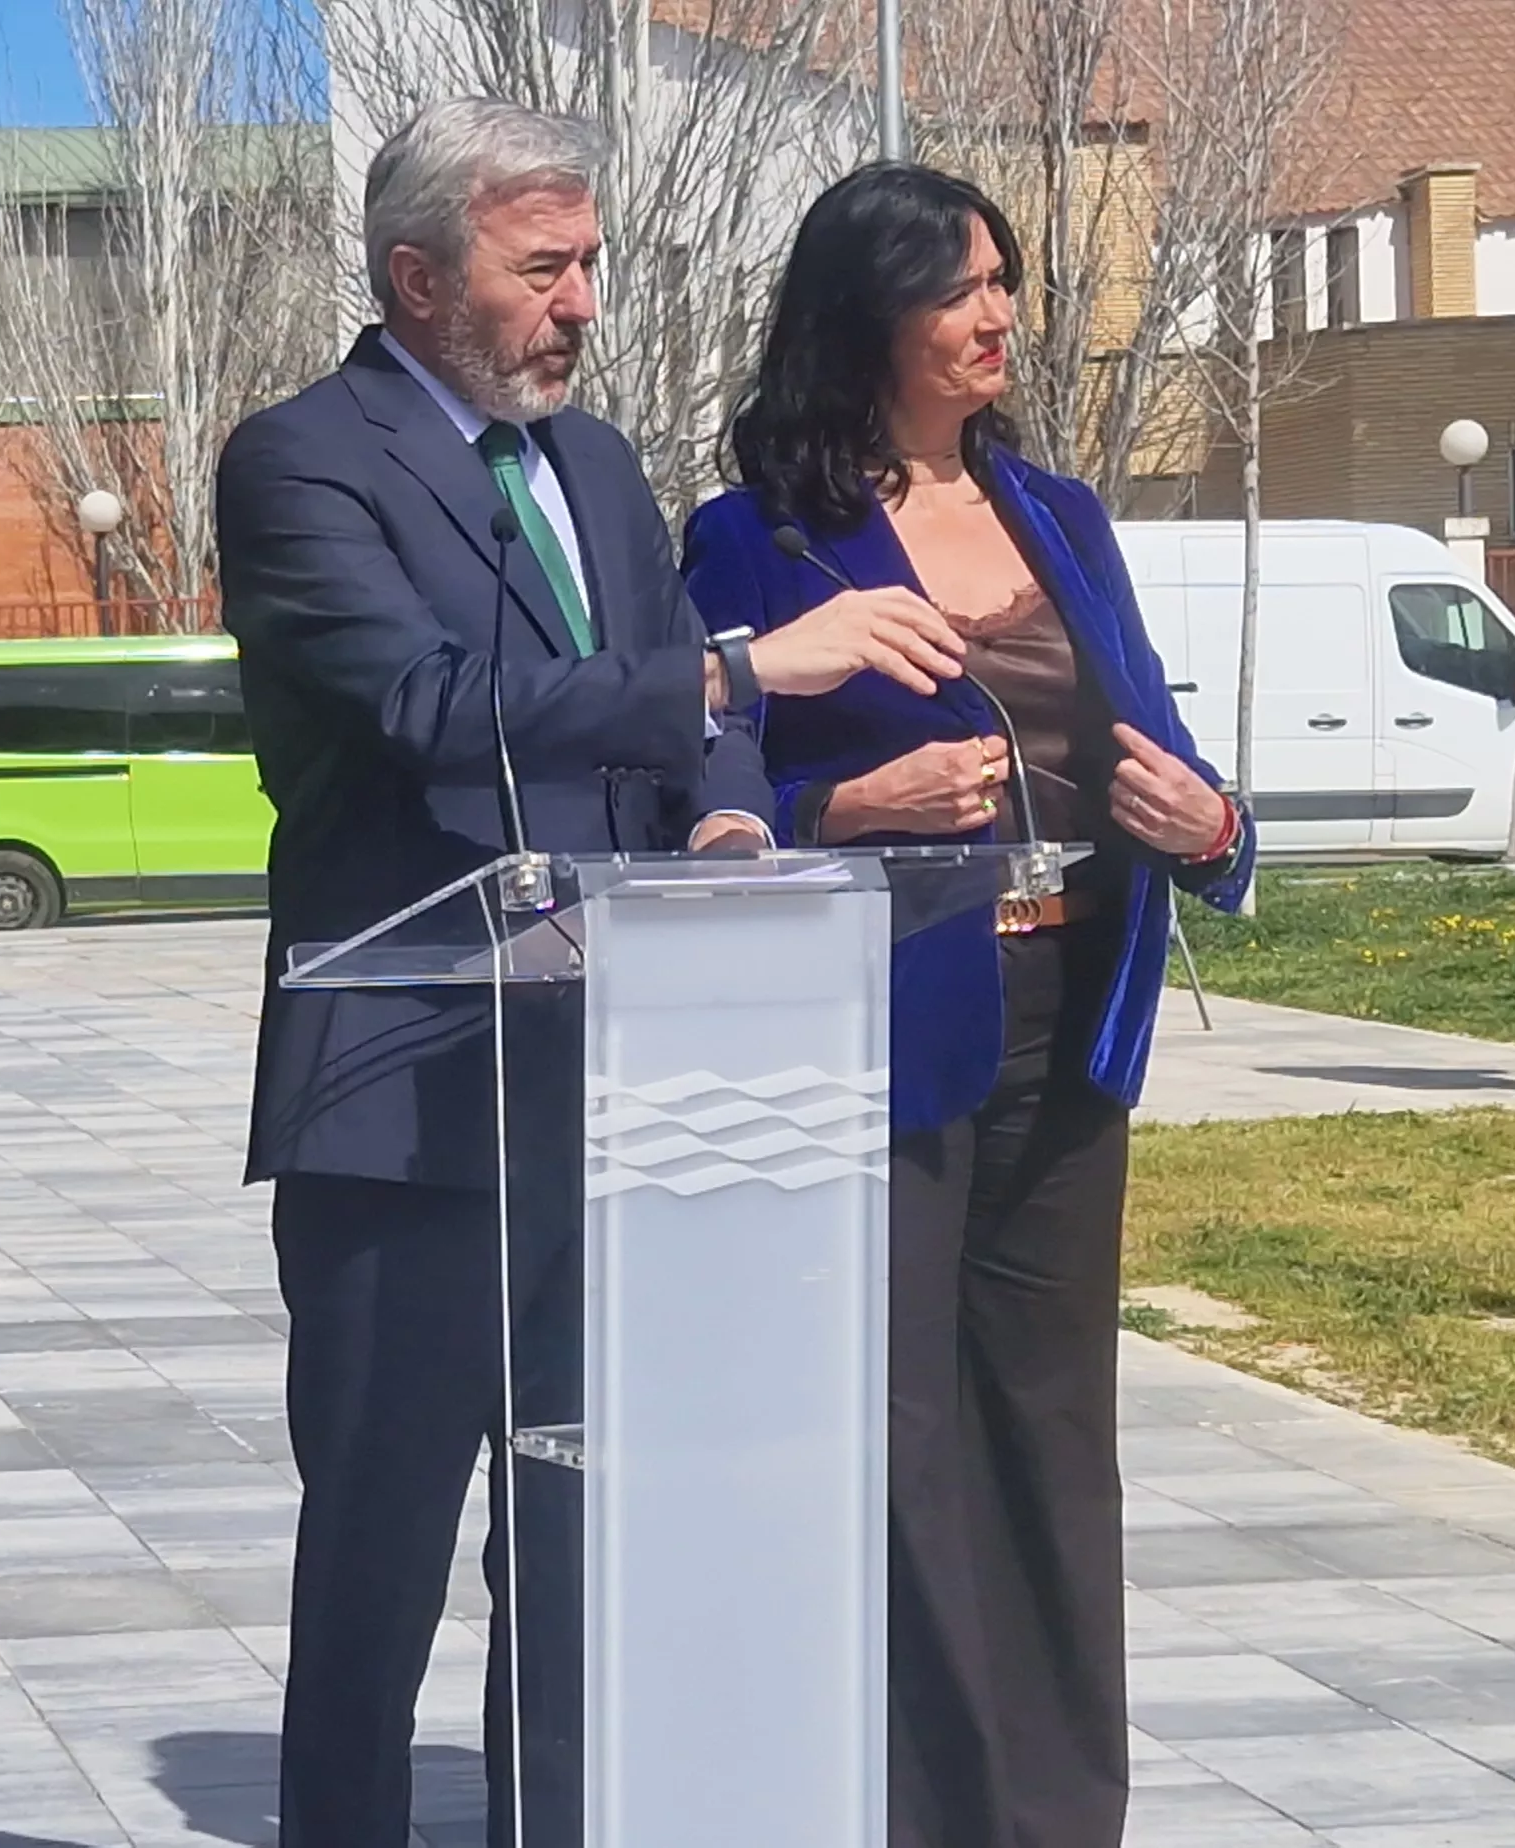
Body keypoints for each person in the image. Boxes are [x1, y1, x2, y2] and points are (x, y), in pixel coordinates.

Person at [217, 102, 970, 1848]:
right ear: (416, 278)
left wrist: (720, 831)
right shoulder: (301, 460)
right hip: (403, 1108)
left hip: (616, 1095)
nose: (581, 305)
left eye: (590, 265)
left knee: (581, 1543)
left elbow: (688, 717)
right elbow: (419, 705)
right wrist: (729, 680)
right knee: (383, 1552)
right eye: (540, 268)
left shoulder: (603, 466)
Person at [678, 163, 1255, 1848]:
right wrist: (845, 810)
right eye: (959, 287)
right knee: (899, 1434)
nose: (999, 313)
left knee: (1055, 1430)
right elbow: (689, 796)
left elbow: (1159, 739)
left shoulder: (1063, 514)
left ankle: (1065, 1816)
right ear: (868, 317)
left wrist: (1214, 829)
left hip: (1069, 1009)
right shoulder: (753, 537)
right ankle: (921, 1811)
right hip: (875, 1030)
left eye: (1006, 280)